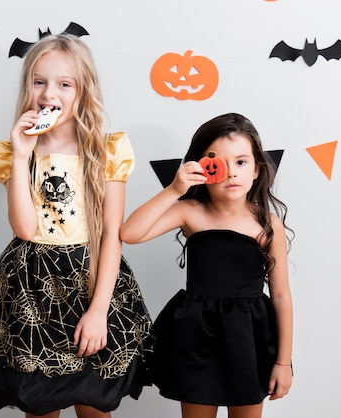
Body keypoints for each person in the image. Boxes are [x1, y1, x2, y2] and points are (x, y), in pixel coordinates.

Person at [0, 34, 153, 418]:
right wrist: (21, 155)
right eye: (39, 81)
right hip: (31, 288)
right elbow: (25, 229)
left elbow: (112, 233)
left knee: (93, 402)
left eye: (64, 84)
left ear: (83, 90)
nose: (49, 94)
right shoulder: (10, 152)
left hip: (91, 281)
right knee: (40, 403)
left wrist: (99, 311)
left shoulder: (106, 150)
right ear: (27, 85)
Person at [120, 113, 294, 418]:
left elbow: (281, 296)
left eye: (241, 162)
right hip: (197, 338)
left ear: (257, 169)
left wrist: (283, 362)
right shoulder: (190, 211)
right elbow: (130, 233)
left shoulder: (268, 224)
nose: (231, 173)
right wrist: (175, 189)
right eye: (220, 163)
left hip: (249, 339)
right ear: (202, 169)